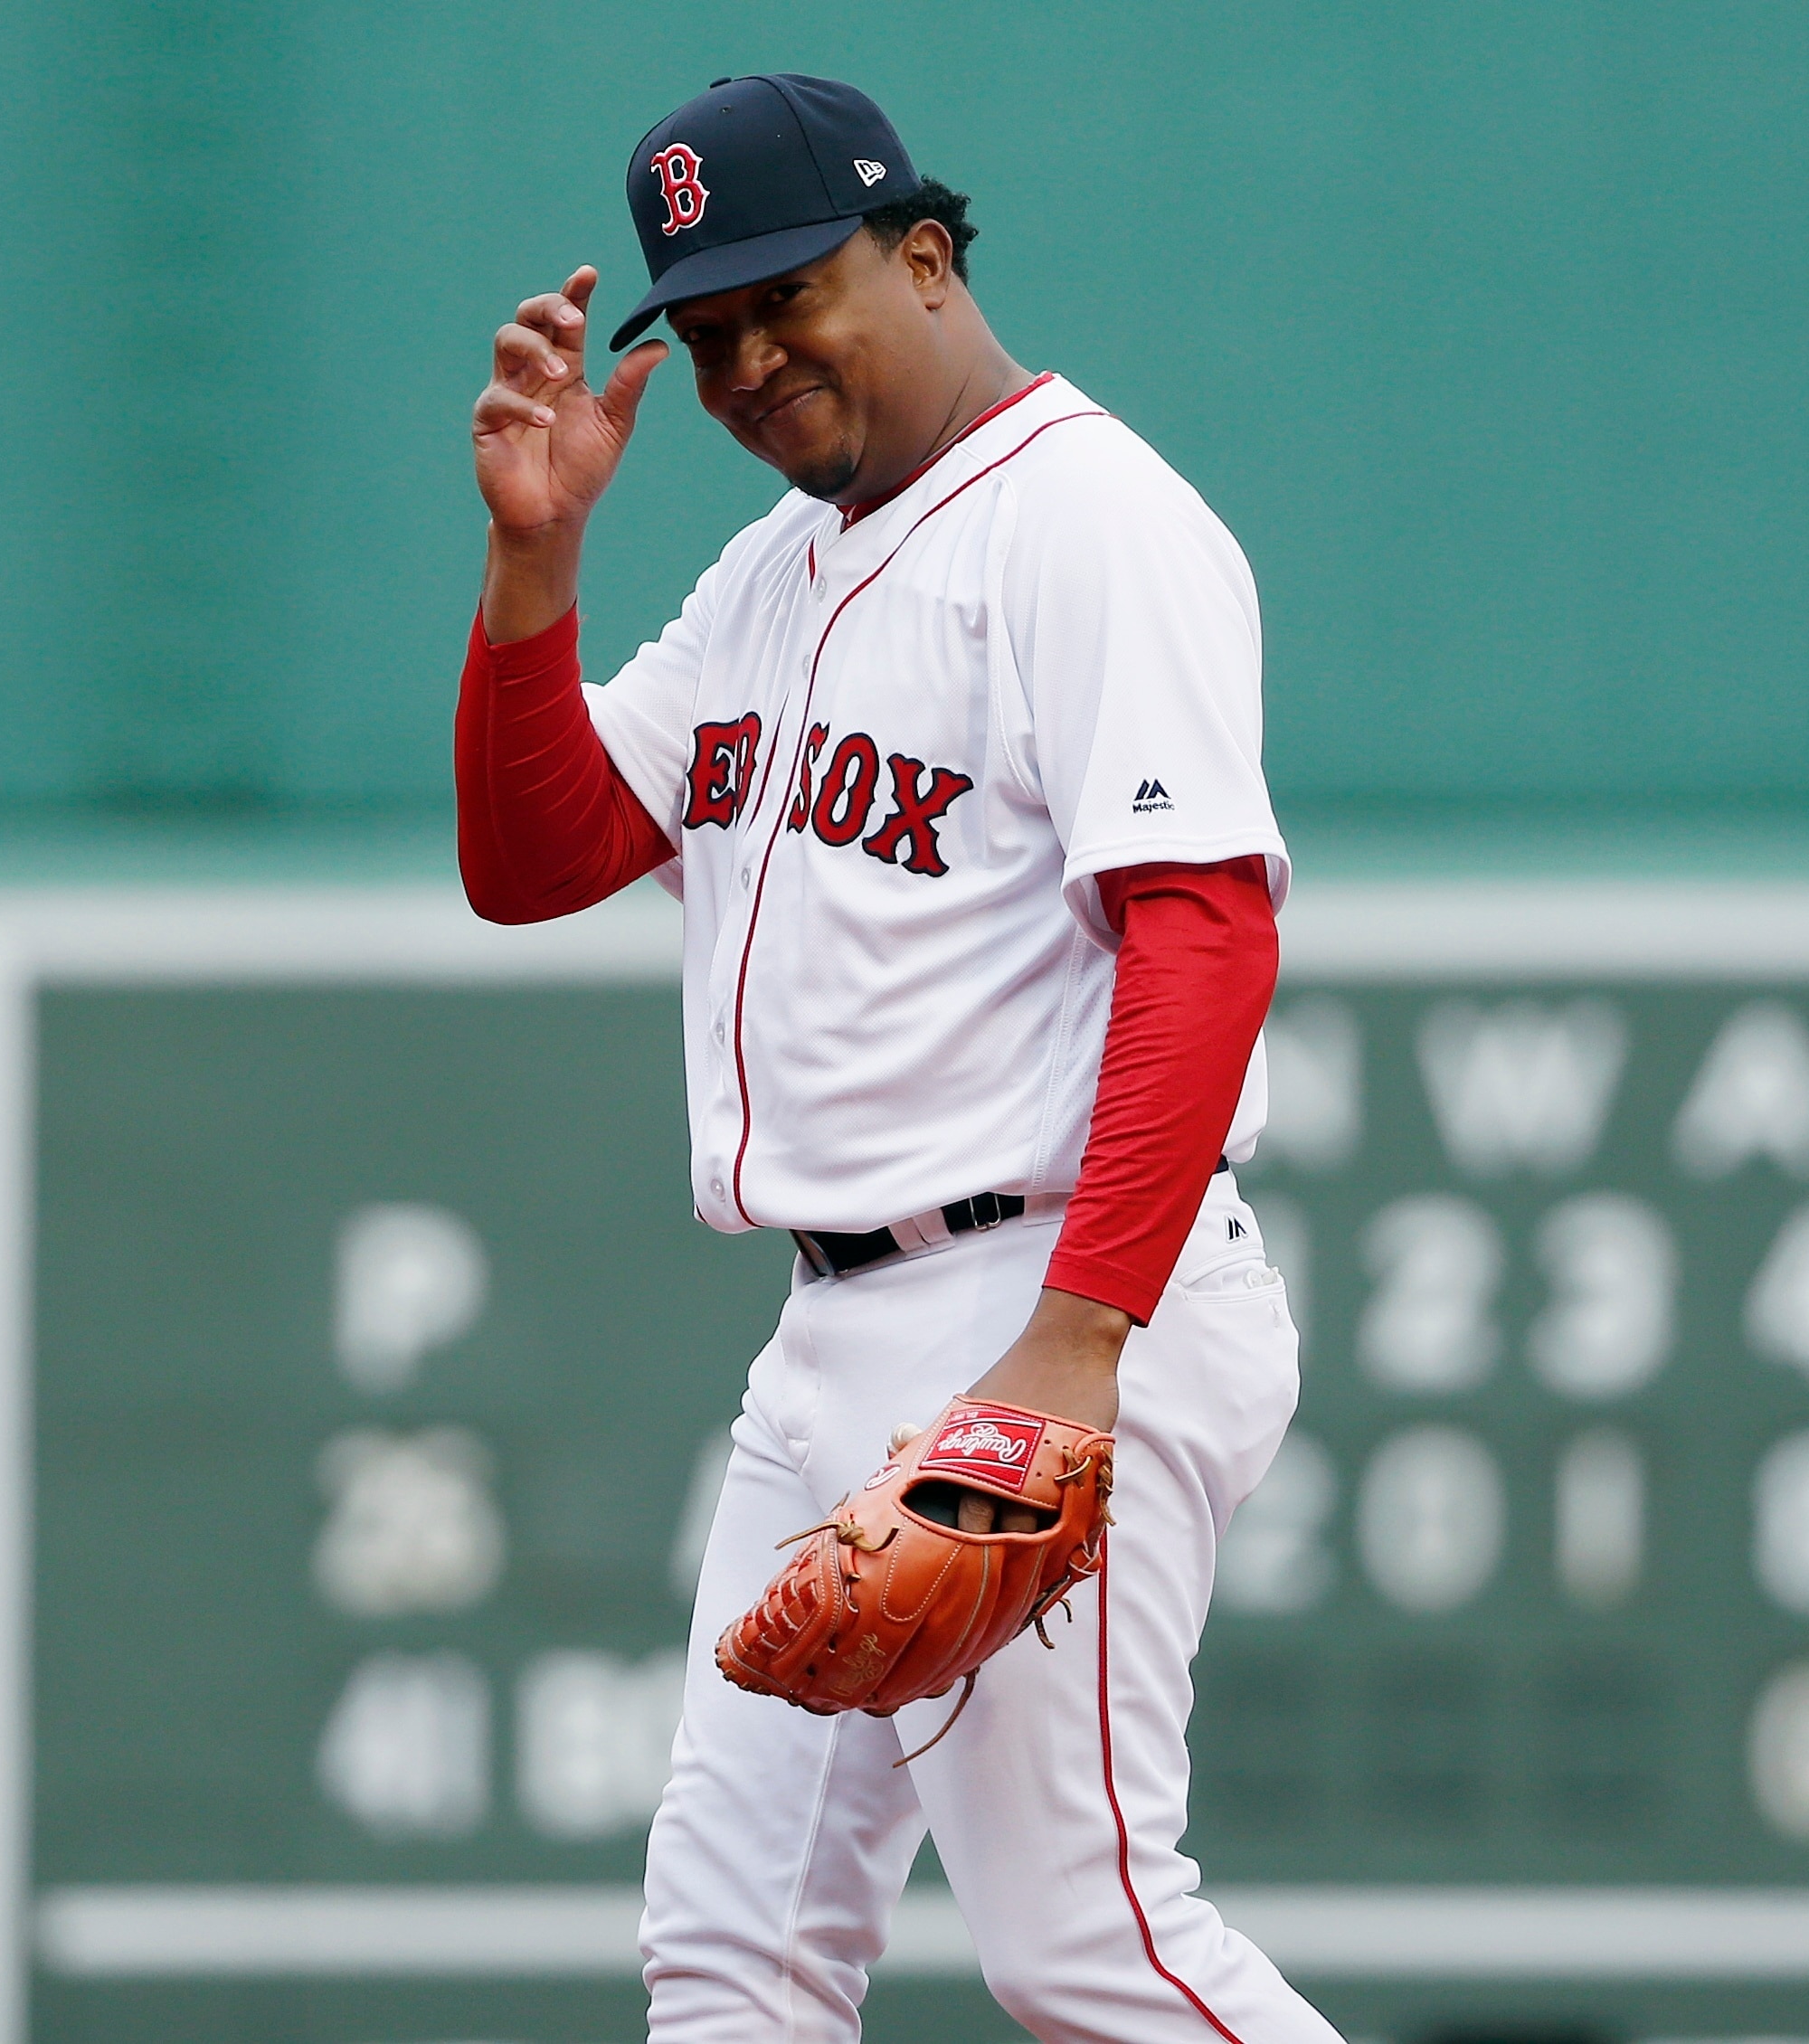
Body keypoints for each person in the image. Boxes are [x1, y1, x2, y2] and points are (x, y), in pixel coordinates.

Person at [455, 72, 1340, 2044]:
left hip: (1042, 1292)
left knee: (1090, 1942)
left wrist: (1070, 1349)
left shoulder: (1085, 519)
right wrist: (534, 574)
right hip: (841, 1331)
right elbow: (540, 859)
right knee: (733, 1950)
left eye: (791, 297)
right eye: (705, 333)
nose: (752, 359)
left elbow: (1205, 932)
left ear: (924, 254)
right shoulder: (773, 571)